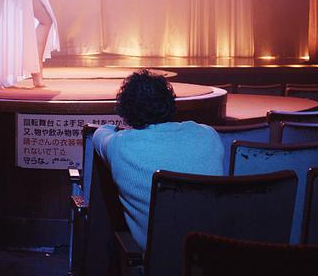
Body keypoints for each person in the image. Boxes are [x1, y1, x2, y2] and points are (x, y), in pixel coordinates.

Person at [94, 69, 224, 251]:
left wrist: (114, 128)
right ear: (169, 102)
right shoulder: (209, 135)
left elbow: (99, 135)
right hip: (211, 254)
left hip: (158, 258)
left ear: (127, 110)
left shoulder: (120, 145)